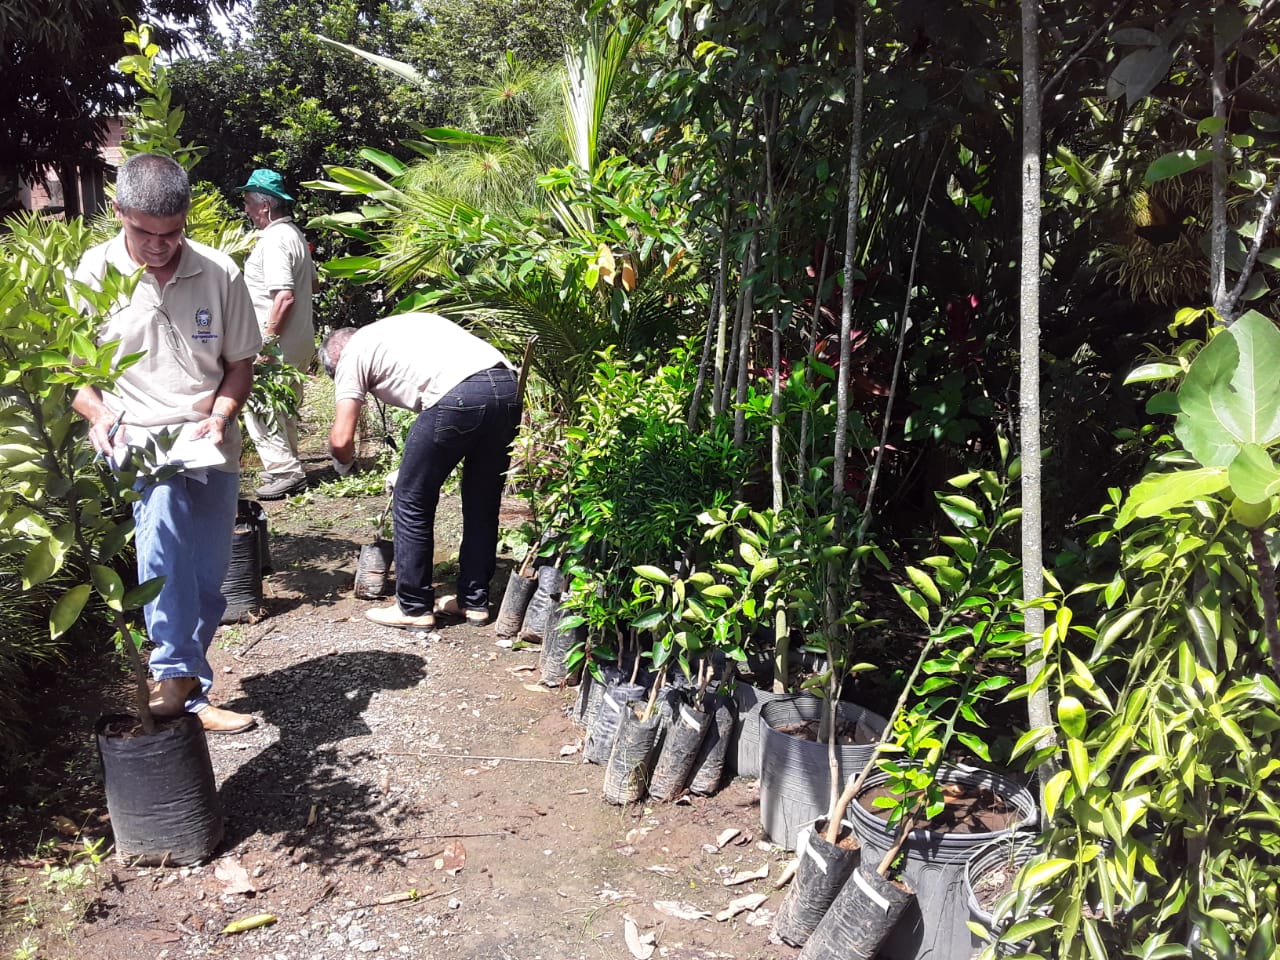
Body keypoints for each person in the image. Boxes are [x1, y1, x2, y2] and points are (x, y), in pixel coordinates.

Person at [73, 153, 262, 734]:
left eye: (173, 233)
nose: (160, 246)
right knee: (163, 548)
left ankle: (190, 690)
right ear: (117, 212)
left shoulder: (218, 271)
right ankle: (172, 671)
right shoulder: (90, 273)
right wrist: (98, 412)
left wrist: (223, 413)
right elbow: (74, 377)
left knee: (207, 574)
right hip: (139, 439)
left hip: (208, 441)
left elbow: (239, 364)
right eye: (145, 233)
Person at [321, 313, 522, 629]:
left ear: (335, 361)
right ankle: (474, 602)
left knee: (412, 499)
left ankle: (413, 608)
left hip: (458, 393)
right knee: (482, 500)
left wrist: (344, 465)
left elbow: (341, 439)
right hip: (508, 387)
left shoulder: (350, 354)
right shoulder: (393, 331)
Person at [236, 168, 318, 501]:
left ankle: (285, 472)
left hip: (276, 343)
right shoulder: (295, 235)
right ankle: (289, 463)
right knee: (285, 404)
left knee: (259, 403)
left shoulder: (272, 240)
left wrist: (266, 342)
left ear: (265, 205)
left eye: (248, 203)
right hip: (299, 340)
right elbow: (313, 284)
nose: (246, 210)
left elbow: (284, 296)